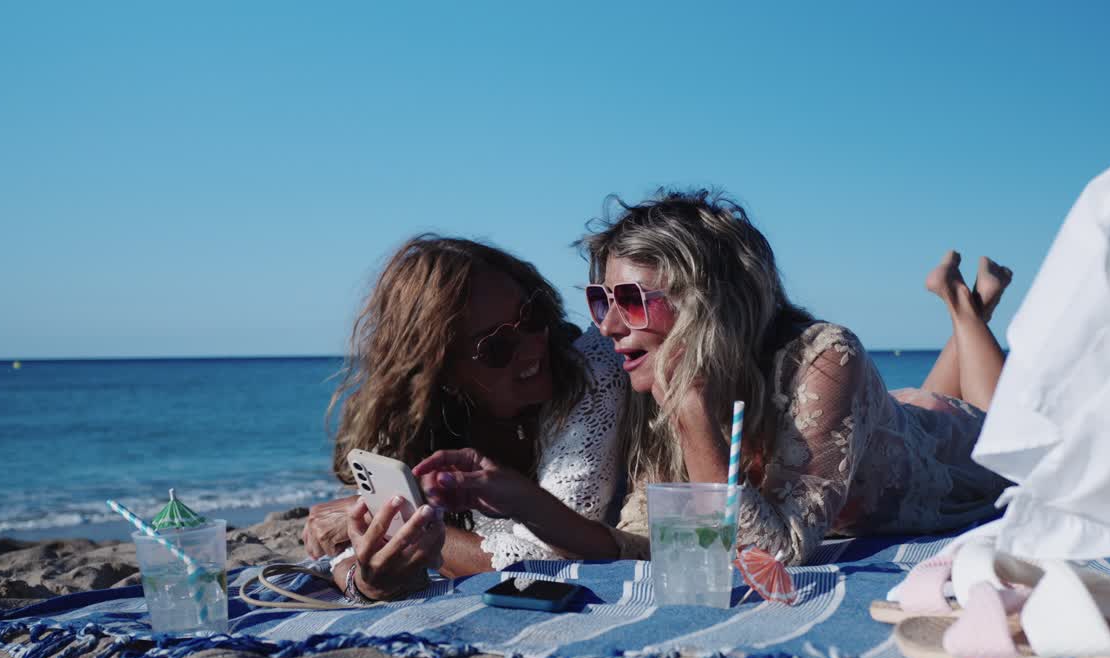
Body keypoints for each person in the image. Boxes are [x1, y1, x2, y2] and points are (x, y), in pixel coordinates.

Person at [420, 190, 1012, 565]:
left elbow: (774, 553)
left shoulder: (824, 357)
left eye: (631, 299)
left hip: (945, 456)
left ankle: (966, 310)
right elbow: (645, 543)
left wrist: (697, 425)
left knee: (1004, 436)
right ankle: (967, 314)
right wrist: (521, 498)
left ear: (710, 303)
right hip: (887, 421)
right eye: (601, 300)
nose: (607, 328)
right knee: (925, 403)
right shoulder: (654, 387)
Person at [302, 235, 627, 601]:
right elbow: (349, 550)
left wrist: (392, 522)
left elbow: (549, 555)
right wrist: (364, 577)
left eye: (532, 316)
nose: (533, 345)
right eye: (496, 346)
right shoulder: (410, 420)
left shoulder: (590, 372)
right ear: (439, 369)